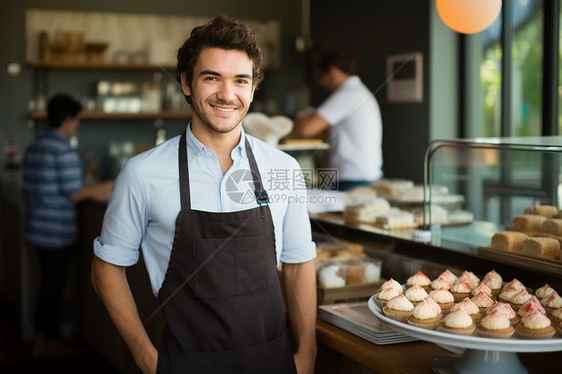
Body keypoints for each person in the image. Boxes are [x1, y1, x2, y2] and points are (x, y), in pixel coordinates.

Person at [91, 16, 317, 374]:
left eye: (240, 80)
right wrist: (147, 358)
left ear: (253, 88)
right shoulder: (142, 173)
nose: (227, 94)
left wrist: (307, 354)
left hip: (272, 362)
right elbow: (106, 269)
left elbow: (299, 263)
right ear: (185, 82)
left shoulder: (284, 168)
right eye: (212, 77)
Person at [22, 94, 113, 356]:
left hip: (37, 227)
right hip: (57, 232)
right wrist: (109, 184)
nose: (77, 125)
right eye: (77, 120)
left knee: (49, 284)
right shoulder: (63, 150)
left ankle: (47, 338)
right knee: (53, 287)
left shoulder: (35, 146)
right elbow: (75, 192)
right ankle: (43, 342)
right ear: (69, 119)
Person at [290, 50, 383, 191]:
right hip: (364, 175)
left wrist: (300, 117)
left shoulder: (348, 94)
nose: (321, 82)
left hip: (353, 179)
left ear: (332, 71)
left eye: (322, 76)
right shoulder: (359, 92)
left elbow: (305, 129)